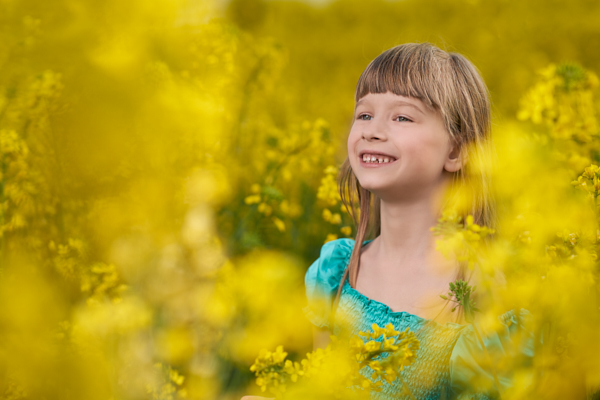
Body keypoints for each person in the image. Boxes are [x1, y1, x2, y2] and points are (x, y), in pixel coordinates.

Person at [244, 42, 533, 400]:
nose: (372, 130)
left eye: (402, 117)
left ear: (457, 151)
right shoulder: (337, 273)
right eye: (364, 115)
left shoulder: (483, 292)